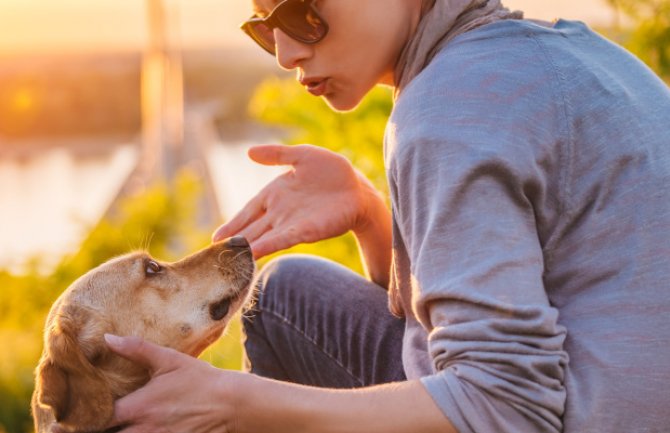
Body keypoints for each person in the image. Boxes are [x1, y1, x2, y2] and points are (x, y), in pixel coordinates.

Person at [103, 0, 670, 432]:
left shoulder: (449, 104)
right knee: (286, 295)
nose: (285, 52)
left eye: (301, 12)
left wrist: (231, 399)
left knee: (276, 313)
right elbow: (459, 332)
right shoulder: (591, 58)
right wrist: (372, 217)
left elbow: (508, 405)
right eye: (262, 27)